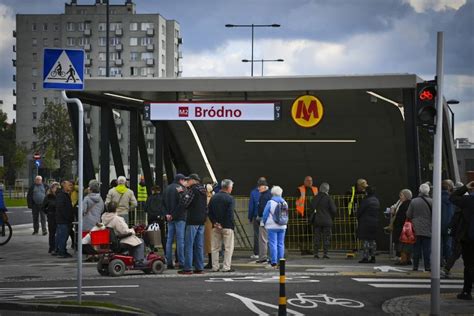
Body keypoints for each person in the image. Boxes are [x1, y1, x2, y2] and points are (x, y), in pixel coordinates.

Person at [177, 174, 207, 275]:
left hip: (193, 220)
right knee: (199, 245)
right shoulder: (203, 190)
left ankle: (188, 268)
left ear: (193, 181)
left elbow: (185, 203)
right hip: (202, 220)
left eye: (188, 180)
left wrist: (182, 193)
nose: (187, 182)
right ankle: (199, 267)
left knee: (189, 244)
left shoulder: (192, 190)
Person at [449, 180, 474, 300]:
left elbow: (453, 197)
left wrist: (465, 188)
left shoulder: (468, 200)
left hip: (468, 237)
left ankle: (467, 291)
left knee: (469, 265)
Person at [101, 201, 147, 266]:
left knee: (133, 241)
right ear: (116, 209)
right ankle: (139, 261)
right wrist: (133, 230)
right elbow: (125, 231)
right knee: (140, 241)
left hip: (111, 242)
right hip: (118, 241)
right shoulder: (117, 219)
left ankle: (133, 259)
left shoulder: (104, 218)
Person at [208, 179, 235, 272]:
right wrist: (223, 224)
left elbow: (209, 212)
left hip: (215, 226)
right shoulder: (230, 199)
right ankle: (226, 267)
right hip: (227, 226)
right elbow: (229, 214)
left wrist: (215, 223)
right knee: (228, 248)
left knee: (215, 248)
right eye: (231, 187)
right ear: (228, 188)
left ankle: (215, 266)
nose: (232, 189)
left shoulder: (213, 198)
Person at [163, 174, 187, 269]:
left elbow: (162, 203)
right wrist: (174, 215)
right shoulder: (180, 189)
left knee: (169, 240)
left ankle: (169, 262)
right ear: (181, 180)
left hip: (169, 218)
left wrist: (167, 214)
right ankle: (181, 262)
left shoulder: (167, 188)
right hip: (179, 218)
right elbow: (182, 204)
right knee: (180, 240)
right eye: (184, 180)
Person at [406, 183, 432, 272]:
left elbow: (408, 214)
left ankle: (415, 266)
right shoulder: (432, 201)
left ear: (419, 190)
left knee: (416, 248)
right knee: (427, 249)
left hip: (415, 228)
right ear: (428, 191)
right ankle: (427, 266)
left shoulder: (414, 201)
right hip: (428, 227)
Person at [309, 182, 337, 259]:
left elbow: (311, 208)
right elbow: (334, 210)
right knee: (326, 237)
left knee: (317, 237)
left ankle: (316, 253)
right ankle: (325, 253)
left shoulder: (315, 197)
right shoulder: (329, 198)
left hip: (317, 221)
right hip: (327, 221)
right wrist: (331, 216)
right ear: (327, 189)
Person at [263, 186, 288, 268]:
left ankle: (273, 262)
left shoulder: (270, 202)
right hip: (282, 226)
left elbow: (265, 214)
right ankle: (281, 261)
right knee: (281, 243)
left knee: (273, 244)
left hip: (272, 226)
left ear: (272, 193)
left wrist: (264, 222)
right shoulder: (284, 202)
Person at [444, 182, 466, 277]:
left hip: (459, 234)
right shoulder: (464, 206)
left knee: (456, 253)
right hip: (465, 234)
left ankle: (447, 268)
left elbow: (454, 221)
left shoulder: (458, 207)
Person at [295, 176, 318, 255]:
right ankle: (303, 249)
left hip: (312, 214)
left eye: (311, 180)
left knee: (310, 232)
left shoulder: (315, 189)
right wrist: (297, 210)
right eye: (308, 180)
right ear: (304, 181)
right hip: (302, 214)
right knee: (302, 232)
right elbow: (297, 201)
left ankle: (309, 248)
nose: (310, 182)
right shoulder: (300, 189)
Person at [357, 186, 380, 263]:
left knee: (365, 240)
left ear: (367, 192)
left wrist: (358, 217)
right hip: (374, 222)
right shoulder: (376, 200)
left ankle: (365, 257)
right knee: (372, 240)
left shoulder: (366, 200)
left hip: (365, 222)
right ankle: (373, 257)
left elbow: (360, 211)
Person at [391, 189, 413, 265]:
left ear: (406, 196)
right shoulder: (411, 203)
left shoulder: (404, 205)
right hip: (409, 227)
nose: (400, 197)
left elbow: (400, 217)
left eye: (401, 195)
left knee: (402, 245)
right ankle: (409, 259)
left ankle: (403, 260)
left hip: (402, 227)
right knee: (408, 244)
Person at [248, 177, 267, 260]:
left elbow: (251, 206)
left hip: (256, 216)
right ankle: (266, 253)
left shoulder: (253, 192)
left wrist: (250, 217)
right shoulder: (268, 192)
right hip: (266, 217)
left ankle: (257, 253)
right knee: (266, 236)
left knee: (256, 235)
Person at [54, 180, 74, 258]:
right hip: (63, 220)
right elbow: (61, 208)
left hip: (63, 219)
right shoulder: (62, 195)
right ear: (63, 185)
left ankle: (59, 250)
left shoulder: (64, 195)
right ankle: (62, 252)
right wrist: (68, 217)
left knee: (61, 235)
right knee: (63, 236)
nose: (70, 186)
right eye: (69, 185)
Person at [144, 185, 165, 252]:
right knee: (162, 234)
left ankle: (152, 249)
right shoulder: (162, 198)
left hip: (151, 219)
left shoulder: (149, 198)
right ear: (159, 190)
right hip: (160, 219)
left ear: (152, 191)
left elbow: (145, 209)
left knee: (151, 233)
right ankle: (165, 249)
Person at [42, 182, 60, 254]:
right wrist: (48, 213)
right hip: (51, 216)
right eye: (55, 187)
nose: (56, 189)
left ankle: (57, 247)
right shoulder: (48, 197)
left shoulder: (60, 196)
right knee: (52, 232)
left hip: (59, 216)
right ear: (52, 188)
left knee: (59, 233)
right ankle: (52, 247)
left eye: (58, 188)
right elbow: (43, 207)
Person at [256, 181, 272, 263]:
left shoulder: (264, 196)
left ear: (265, 187)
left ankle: (263, 257)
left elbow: (263, 208)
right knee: (269, 239)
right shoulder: (269, 194)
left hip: (264, 220)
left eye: (260, 186)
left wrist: (260, 217)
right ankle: (270, 256)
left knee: (263, 239)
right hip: (271, 220)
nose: (258, 188)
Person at [441, 179, 455, 266]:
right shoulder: (453, 199)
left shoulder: (436, 198)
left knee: (438, 244)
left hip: (438, 225)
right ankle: (448, 262)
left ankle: (439, 260)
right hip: (449, 225)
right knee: (448, 244)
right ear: (450, 187)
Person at [203, 177, 215, 269]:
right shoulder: (214, 196)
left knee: (209, 242)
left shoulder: (207, 198)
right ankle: (213, 261)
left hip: (208, 221)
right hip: (213, 221)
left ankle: (211, 261)